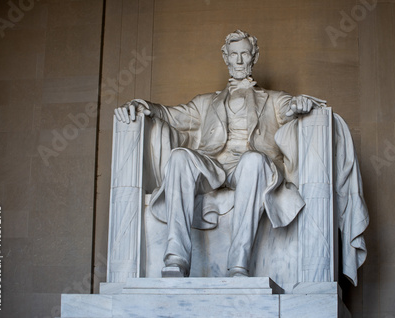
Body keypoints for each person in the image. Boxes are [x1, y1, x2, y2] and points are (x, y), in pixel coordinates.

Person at [115, 30, 325, 277]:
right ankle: (175, 259)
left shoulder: (273, 99)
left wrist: (299, 105)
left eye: (244, 54)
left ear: (254, 57)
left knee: (253, 160)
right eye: (233, 54)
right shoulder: (206, 103)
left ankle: (239, 264)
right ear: (225, 57)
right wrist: (143, 106)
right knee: (180, 156)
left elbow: (290, 108)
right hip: (213, 165)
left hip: (250, 167)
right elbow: (170, 114)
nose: (238, 61)